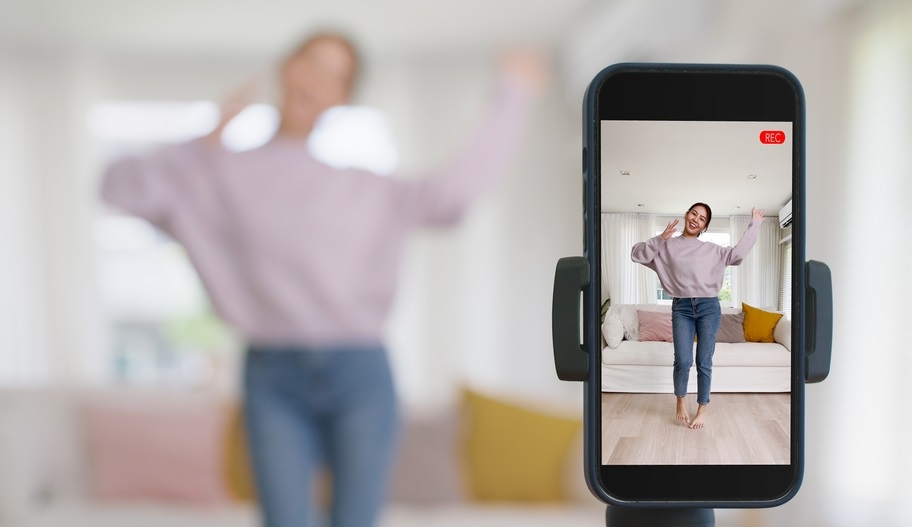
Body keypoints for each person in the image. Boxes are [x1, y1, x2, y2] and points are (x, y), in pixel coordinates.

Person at [101, 31, 543, 527]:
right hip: (272, 375)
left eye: (336, 75)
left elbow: (451, 196)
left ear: (344, 98)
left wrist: (513, 95)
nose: (316, 79)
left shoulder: (365, 187)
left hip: (361, 374)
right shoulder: (218, 174)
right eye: (310, 62)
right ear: (286, 67)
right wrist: (203, 142)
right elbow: (116, 187)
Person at [631, 203, 763, 429]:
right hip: (681, 307)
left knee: (704, 361)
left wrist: (755, 224)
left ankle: (702, 408)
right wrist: (660, 238)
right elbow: (637, 254)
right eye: (694, 213)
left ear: (704, 226)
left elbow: (738, 253)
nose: (696, 219)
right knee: (682, 361)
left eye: (702, 219)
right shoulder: (666, 246)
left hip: (709, 307)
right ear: (686, 215)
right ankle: (680, 401)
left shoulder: (713, 250)